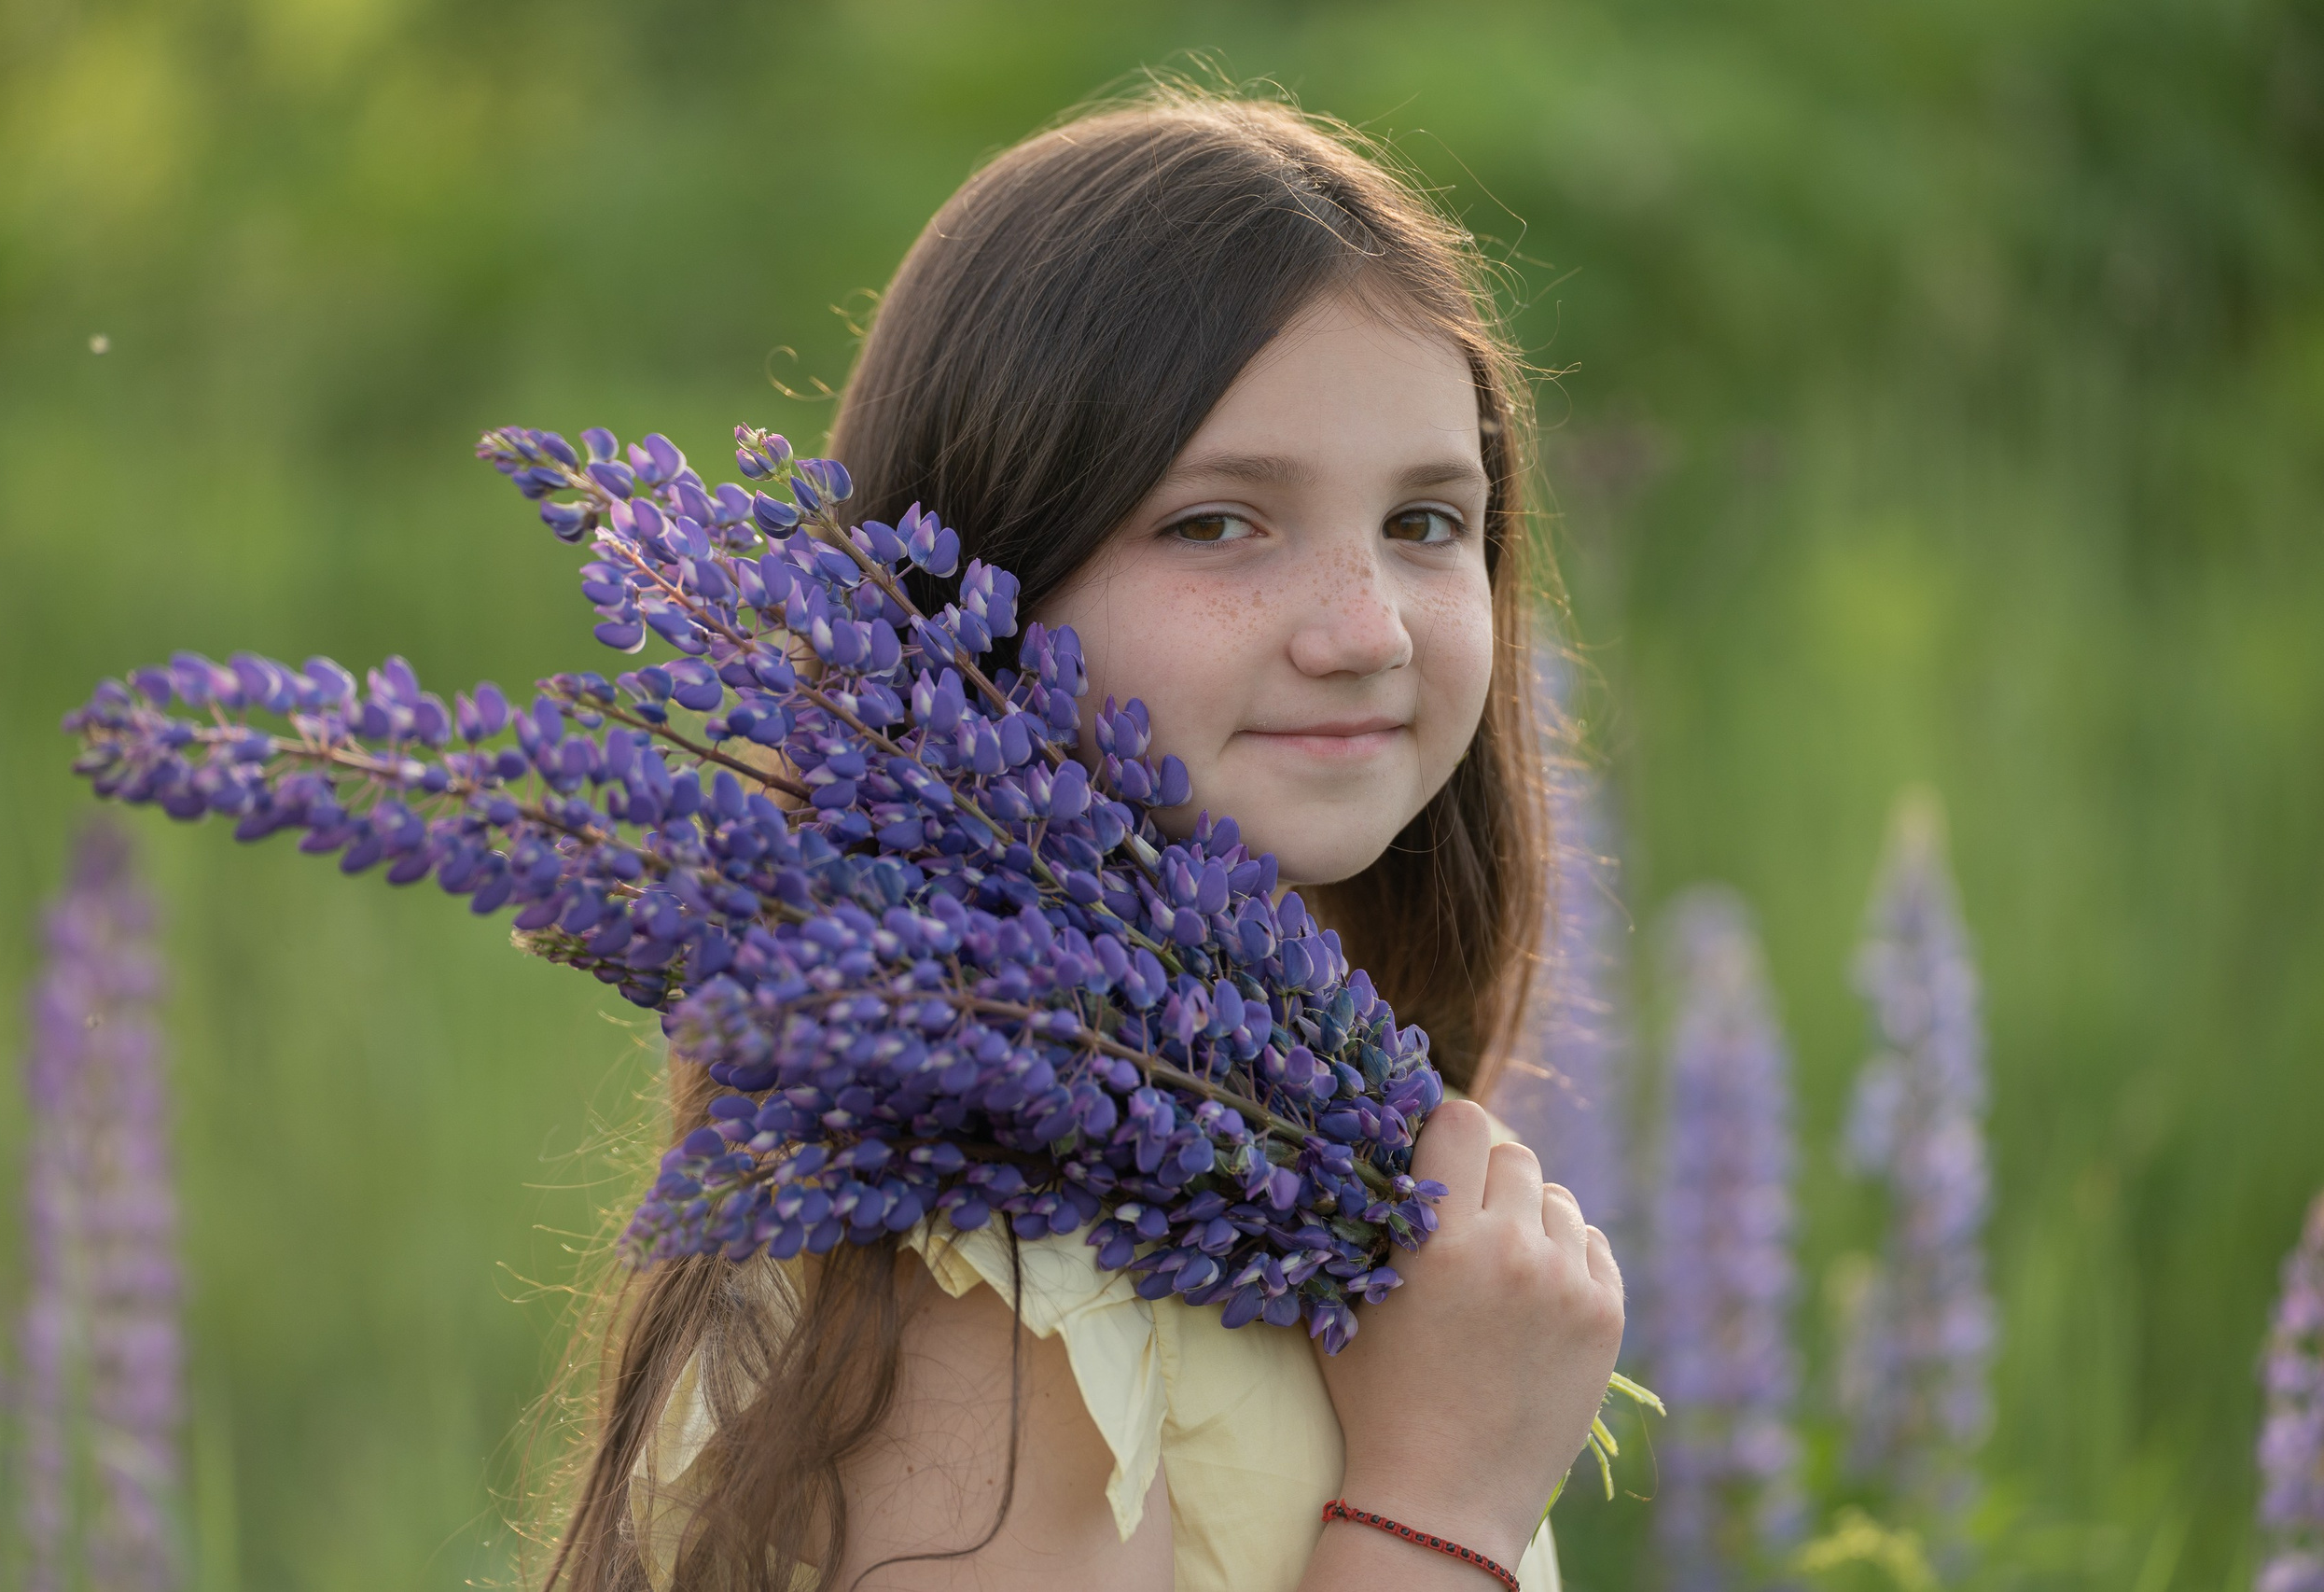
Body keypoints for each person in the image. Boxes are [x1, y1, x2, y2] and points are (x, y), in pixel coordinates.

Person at [546, 86, 1626, 1592]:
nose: (1367, 628)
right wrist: (1440, 1501)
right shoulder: (982, 1293)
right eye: (1216, 523)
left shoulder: (1246, 1178)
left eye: (1428, 522)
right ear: (979, 589)